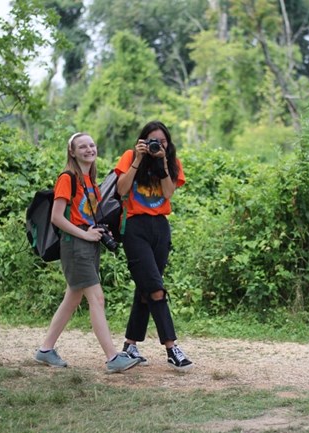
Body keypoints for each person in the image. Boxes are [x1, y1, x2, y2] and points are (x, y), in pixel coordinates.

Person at [34, 132, 139, 373]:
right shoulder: (67, 178)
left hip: (88, 243)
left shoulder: (89, 180)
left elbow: (87, 215)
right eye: (82, 146)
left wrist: (98, 233)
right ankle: (113, 358)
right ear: (72, 152)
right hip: (75, 244)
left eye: (91, 145)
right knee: (97, 298)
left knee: (72, 298)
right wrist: (85, 235)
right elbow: (57, 218)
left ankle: (45, 350)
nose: (89, 149)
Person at [114, 120, 193, 371]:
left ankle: (130, 345)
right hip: (135, 227)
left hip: (160, 227)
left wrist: (162, 164)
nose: (157, 144)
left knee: (147, 286)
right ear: (143, 140)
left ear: (168, 143)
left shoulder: (171, 163)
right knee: (156, 289)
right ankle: (172, 348)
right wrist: (138, 159)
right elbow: (121, 190)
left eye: (162, 141)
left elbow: (168, 193)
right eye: (152, 140)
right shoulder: (129, 156)